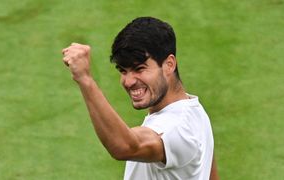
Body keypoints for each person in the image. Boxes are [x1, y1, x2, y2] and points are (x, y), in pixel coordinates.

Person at [62, 17, 218, 180]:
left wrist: (85, 79)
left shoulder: (176, 127)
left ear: (169, 65)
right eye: (123, 71)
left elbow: (125, 146)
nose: (128, 82)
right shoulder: (196, 112)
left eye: (139, 69)